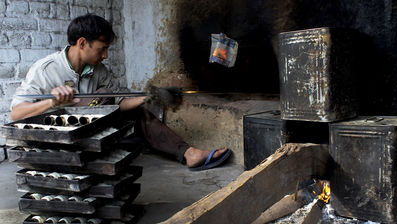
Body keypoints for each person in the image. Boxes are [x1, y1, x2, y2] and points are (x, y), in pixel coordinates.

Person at [10, 13, 231, 171]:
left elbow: (118, 104)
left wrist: (149, 97)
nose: (105, 55)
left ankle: (188, 154)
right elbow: (17, 114)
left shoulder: (100, 70)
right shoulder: (46, 69)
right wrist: (52, 103)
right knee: (106, 97)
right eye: (102, 48)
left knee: (134, 108)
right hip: (62, 140)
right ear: (82, 43)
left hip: (91, 132)